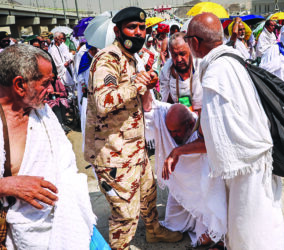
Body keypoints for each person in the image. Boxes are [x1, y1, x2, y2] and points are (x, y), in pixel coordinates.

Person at [84, 7, 182, 250]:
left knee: (148, 194)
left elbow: (136, 98)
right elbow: (103, 102)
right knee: (125, 214)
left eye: (142, 28)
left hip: (133, 148)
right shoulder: (108, 59)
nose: (138, 33)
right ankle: (121, 246)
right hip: (113, 153)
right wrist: (137, 86)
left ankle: (154, 231)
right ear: (118, 31)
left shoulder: (129, 58)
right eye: (132, 28)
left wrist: (145, 83)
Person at [186, 13, 284, 250]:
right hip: (258, 159)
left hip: (246, 170)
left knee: (249, 235)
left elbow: (217, 139)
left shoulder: (215, 73)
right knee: (266, 227)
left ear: (195, 43)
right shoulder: (233, 59)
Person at [0, 44, 95, 249]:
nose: (52, 90)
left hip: (66, 224)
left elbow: (65, 164)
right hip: (21, 236)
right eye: (46, 83)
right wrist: (6, 185)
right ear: (19, 85)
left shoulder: (42, 112)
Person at [142, 92, 226, 247]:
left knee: (210, 231)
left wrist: (178, 151)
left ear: (189, 124)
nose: (172, 136)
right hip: (181, 187)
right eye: (170, 131)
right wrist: (147, 88)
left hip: (204, 191)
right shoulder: (165, 115)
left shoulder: (200, 123)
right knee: (173, 223)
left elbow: (210, 145)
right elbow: (149, 109)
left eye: (177, 132)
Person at [159, 32, 202, 113]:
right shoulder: (167, 71)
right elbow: (165, 102)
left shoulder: (201, 66)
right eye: (174, 55)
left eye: (182, 54)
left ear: (190, 50)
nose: (179, 59)